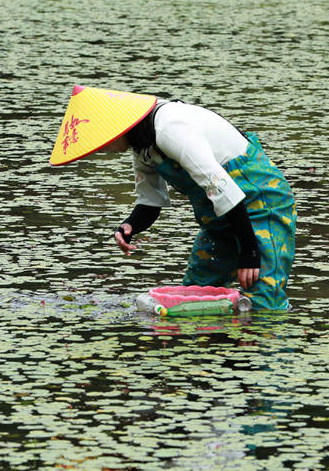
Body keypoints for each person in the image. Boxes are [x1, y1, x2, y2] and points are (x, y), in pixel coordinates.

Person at [50, 86, 296, 310]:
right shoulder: (143, 146)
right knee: (194, 297)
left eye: (100, 142)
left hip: (262, 206)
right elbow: (150, 202)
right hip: (221, 219)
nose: (101, 149)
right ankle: (219, 354)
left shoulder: (170, 128)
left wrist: (250, 252)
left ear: (115, 127)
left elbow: (222, 188)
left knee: (264, 301)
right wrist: (128, 226)